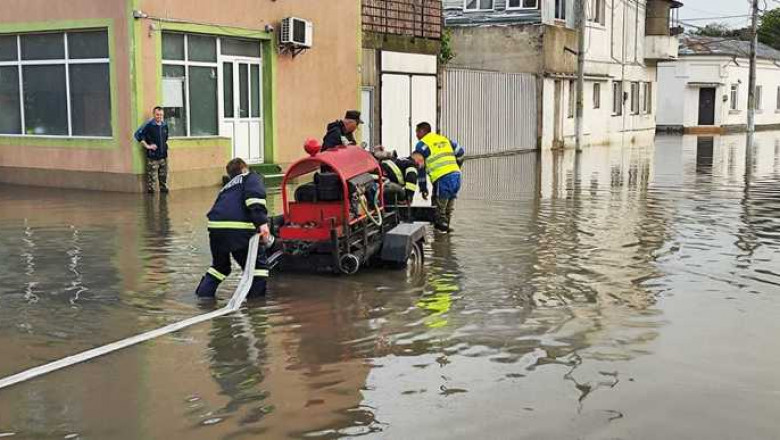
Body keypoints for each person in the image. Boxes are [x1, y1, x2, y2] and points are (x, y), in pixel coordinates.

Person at [195, 158, 270, 300]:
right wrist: (263, 224)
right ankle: (256, 306)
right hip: (239, 228)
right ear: (244, 169)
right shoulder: (251, 177)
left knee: (220, 267)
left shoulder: (227, 186)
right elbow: (254, 199)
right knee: (258, 268)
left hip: (216, 228)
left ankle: (202, 299)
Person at [413, 122, 465, 233]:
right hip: (456, 177)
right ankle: (447, 241)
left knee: (439, 212)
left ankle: (439, 244)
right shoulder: (445, 140)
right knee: (448, 210)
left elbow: (420, 166)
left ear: (422, 131)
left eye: (417, 132)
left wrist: (423, 188)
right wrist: (456, 167)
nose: (416, 135)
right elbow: (461, 152)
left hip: (443, 179)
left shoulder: (422, 145)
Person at [136, 106, 170, 193]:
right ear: (154, 114)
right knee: (152, 182)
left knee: (164, 179)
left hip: (163, 157)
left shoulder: (164, 125)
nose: (159, 117)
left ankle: (163, 198)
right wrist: (148, 146)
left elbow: (166, 138)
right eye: (157, 115)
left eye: (161, 115)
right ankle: (151, 202)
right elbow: (138, 136)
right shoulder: (149, 125)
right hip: (153, 158)